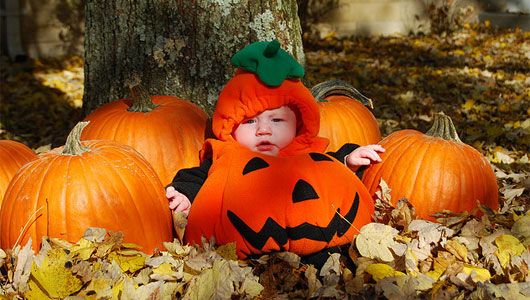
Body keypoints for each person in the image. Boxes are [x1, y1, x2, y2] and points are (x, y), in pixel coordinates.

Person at [166, 40, 384, 268]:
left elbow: (326, 170)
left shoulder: (302, 150)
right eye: (250, 121)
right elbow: (198, 177)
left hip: (314, 241)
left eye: (277, 120)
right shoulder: (227, 156)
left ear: (297, 123)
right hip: (247, 251)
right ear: (231, 127)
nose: (264, 130)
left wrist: (348, 160)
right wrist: (185, 196)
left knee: (329, 259)